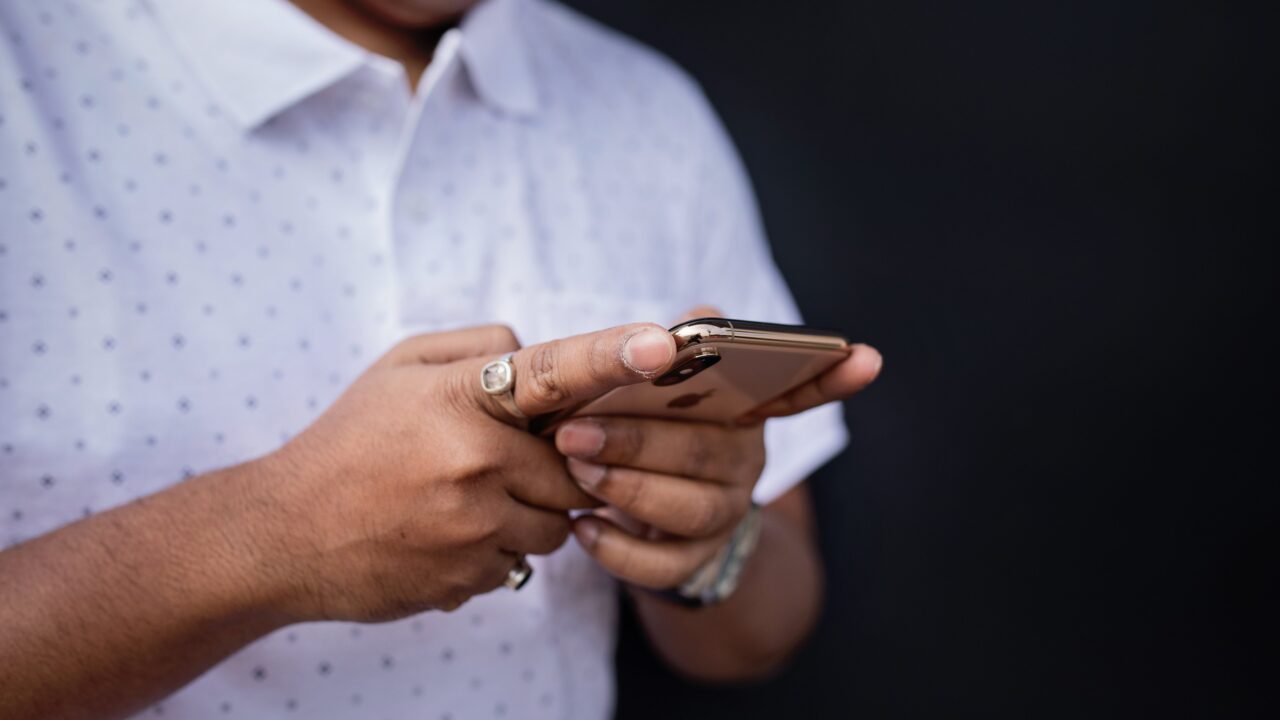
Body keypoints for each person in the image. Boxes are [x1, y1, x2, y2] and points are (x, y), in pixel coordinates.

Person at [0, 0, 883, 717]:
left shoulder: (650, 114)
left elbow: (763, 630)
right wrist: (271, 538)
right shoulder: (27, 66)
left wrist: (706, 540)